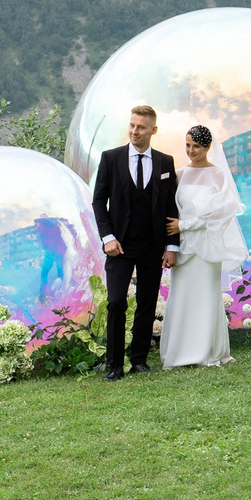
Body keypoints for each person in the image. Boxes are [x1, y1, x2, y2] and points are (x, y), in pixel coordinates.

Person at [89, 103, 182, 380]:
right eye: (131, 125)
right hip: (119, 246)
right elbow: (98, 201)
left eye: (141, 127)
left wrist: (172, 246)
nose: (134, 131)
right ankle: (114, 364)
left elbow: (171, 206)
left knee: (146, 303)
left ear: (153, 130)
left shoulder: (165, 162)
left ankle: (139, 359)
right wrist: (108, 238)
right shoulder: (110, 158)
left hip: (152, 247)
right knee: (116, 301)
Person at [161, 124, 247, 369]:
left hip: (207, 248)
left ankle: (206, 351)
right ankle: (179, 353)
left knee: (206, 296)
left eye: (196, 146)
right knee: (182, 297)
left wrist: (184, 225)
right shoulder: (179, 174)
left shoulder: (219, 176)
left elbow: (220, 214)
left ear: (208, 147)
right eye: (187, 145)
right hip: (184, 249)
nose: (191, 150)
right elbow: (171, 210)